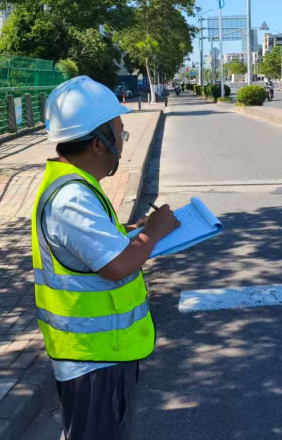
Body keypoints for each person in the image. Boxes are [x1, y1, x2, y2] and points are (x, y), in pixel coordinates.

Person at [34, 76, 180, 440]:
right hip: (94, 361)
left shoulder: (77, 186)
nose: (123, 140)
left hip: (99, 357)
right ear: (99, 143)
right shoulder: (73, 198)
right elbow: (116, 266)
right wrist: (154, 231)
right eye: (120, 132)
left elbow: (96, 250)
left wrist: (134, 232)